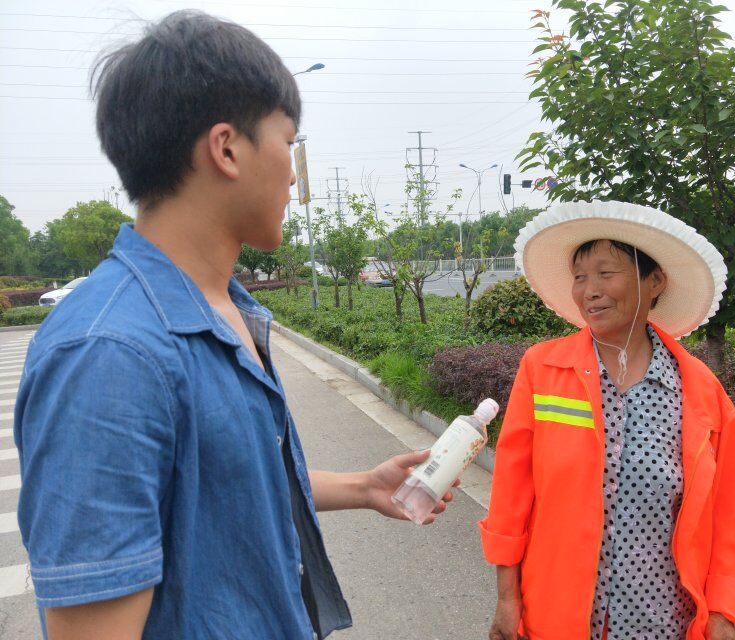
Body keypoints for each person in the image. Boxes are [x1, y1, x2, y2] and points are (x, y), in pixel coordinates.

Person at [13, 11, 455, 640]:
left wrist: (364, 486)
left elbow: (224, 484)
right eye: (287, 141)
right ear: (226, 148)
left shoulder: (226, 310)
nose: (294, 172)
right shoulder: (109, 353)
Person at [480, 201, 735, 640]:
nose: (589, 291)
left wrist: (724, 612)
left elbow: (732, 514)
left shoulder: (700, 392)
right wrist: (506, 598)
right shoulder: (543, 370)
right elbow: (512, 494)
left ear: (655, 281)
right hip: (557, 615)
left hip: (662, 622)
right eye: (579, 277)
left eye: (605, 273)